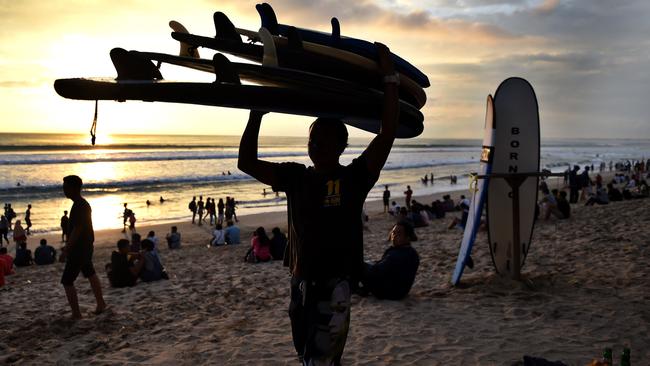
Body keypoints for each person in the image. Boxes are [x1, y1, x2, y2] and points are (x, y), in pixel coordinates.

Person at [237, 42, 398, 365]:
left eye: (324, 140)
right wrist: (256, 112)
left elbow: (387, 132)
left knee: (323, 359)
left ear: (341, 145)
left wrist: (389, 77)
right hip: (300, 282)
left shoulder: (356, 177)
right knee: (306, 355)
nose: (316, 145)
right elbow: (247, 162)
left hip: (336, 285)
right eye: (312, 140)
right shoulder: (297, 177)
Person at [60, 175, 106, 319]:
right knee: (90, 273)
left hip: (79, 248)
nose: (64, 190)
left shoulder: (80, 205)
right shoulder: (80, 204)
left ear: (74, 188)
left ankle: (76, 313)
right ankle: (101, 303)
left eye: (66, 187)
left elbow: (77, 230)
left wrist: (67, 249)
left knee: (67, 281)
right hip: (85, 247)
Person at [360, 221, 419, 300]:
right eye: (393, 233)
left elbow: (377, 271)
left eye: (399, 234)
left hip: (388, 293)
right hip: (401, 292)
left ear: (408, 237)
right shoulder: (412, 253)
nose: (394, 236)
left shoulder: (396, 254)